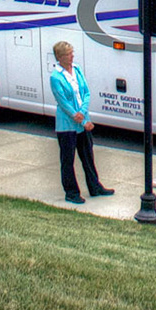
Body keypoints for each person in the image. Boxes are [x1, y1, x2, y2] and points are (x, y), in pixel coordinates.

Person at [49, 41, 112, 204]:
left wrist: (83, 113)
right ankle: (71, 192)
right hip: (67, 124)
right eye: (69, 54)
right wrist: (80, 119)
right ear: (60, 57)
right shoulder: (55, 77)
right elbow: (63, 102)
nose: (72, 56)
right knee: (68, 159)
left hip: (82, 120)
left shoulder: (76, 69)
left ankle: (95, 186)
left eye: (72, 52)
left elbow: (86, 92)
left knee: (88, 155)